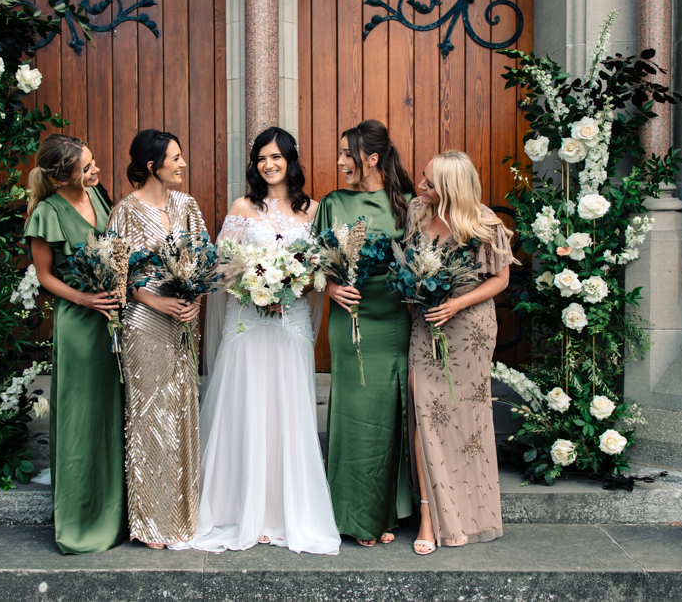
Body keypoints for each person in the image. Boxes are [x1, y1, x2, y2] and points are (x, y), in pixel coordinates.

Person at [183, 127, 340, 555]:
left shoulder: (313, 210)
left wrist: (291, 288)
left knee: (288, 410)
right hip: (248, 324)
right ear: (254, 164)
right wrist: (255, 288)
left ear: (291, 159)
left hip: (291, 324)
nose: (269, 165)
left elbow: (319, 269)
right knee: (246, 407)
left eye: (276, 157)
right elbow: (221, 268)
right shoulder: (242, 208)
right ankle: (240, 509)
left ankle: (282, 512)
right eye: (261, 158)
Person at [313, 119, 417, 547]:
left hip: (391, 317)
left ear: (372, 158)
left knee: (386, 413)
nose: (339, 161)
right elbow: (313, 259)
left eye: (346, 154)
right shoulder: (332, 202)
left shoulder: (406, 203)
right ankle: (351, 512)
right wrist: (332, 286)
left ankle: (383, 510)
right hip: (348, 316)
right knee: (353, 410)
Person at [406, 151, 516, 555]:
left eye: (430, 184)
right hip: (425, 324)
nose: (421, 187)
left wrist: (458, 303)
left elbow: (501, 280)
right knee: (425, 413)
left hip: (468, 328)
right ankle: (428, 516)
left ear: (452, 189)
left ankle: (466, 510)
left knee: (464, 419)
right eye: (423, 178)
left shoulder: (485, 223)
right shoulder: (418, 211)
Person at [24, 134, 127, 553]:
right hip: (78, 325)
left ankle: (114, 513)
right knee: (81, 417)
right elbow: (45, 277)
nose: (96, 170)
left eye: (94, 162)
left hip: (112, 321)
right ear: (62, 176)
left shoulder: (99, 198)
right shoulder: (46, 213)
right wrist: (86, 298)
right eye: (87, 168)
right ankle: (80, 520)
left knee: (111, 413)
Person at [108, 129, 207, 550]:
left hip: (183, 322)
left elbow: (204, 260)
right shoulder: (125, 211)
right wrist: (155, 302)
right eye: (176, 158)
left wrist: (195, 301)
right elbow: (116, 274)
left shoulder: (188, 206)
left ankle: (185, 515)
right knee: (149, 417)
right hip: (144, 322)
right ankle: (149, 522)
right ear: (153, 166)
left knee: (183, 410)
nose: (183, 164)